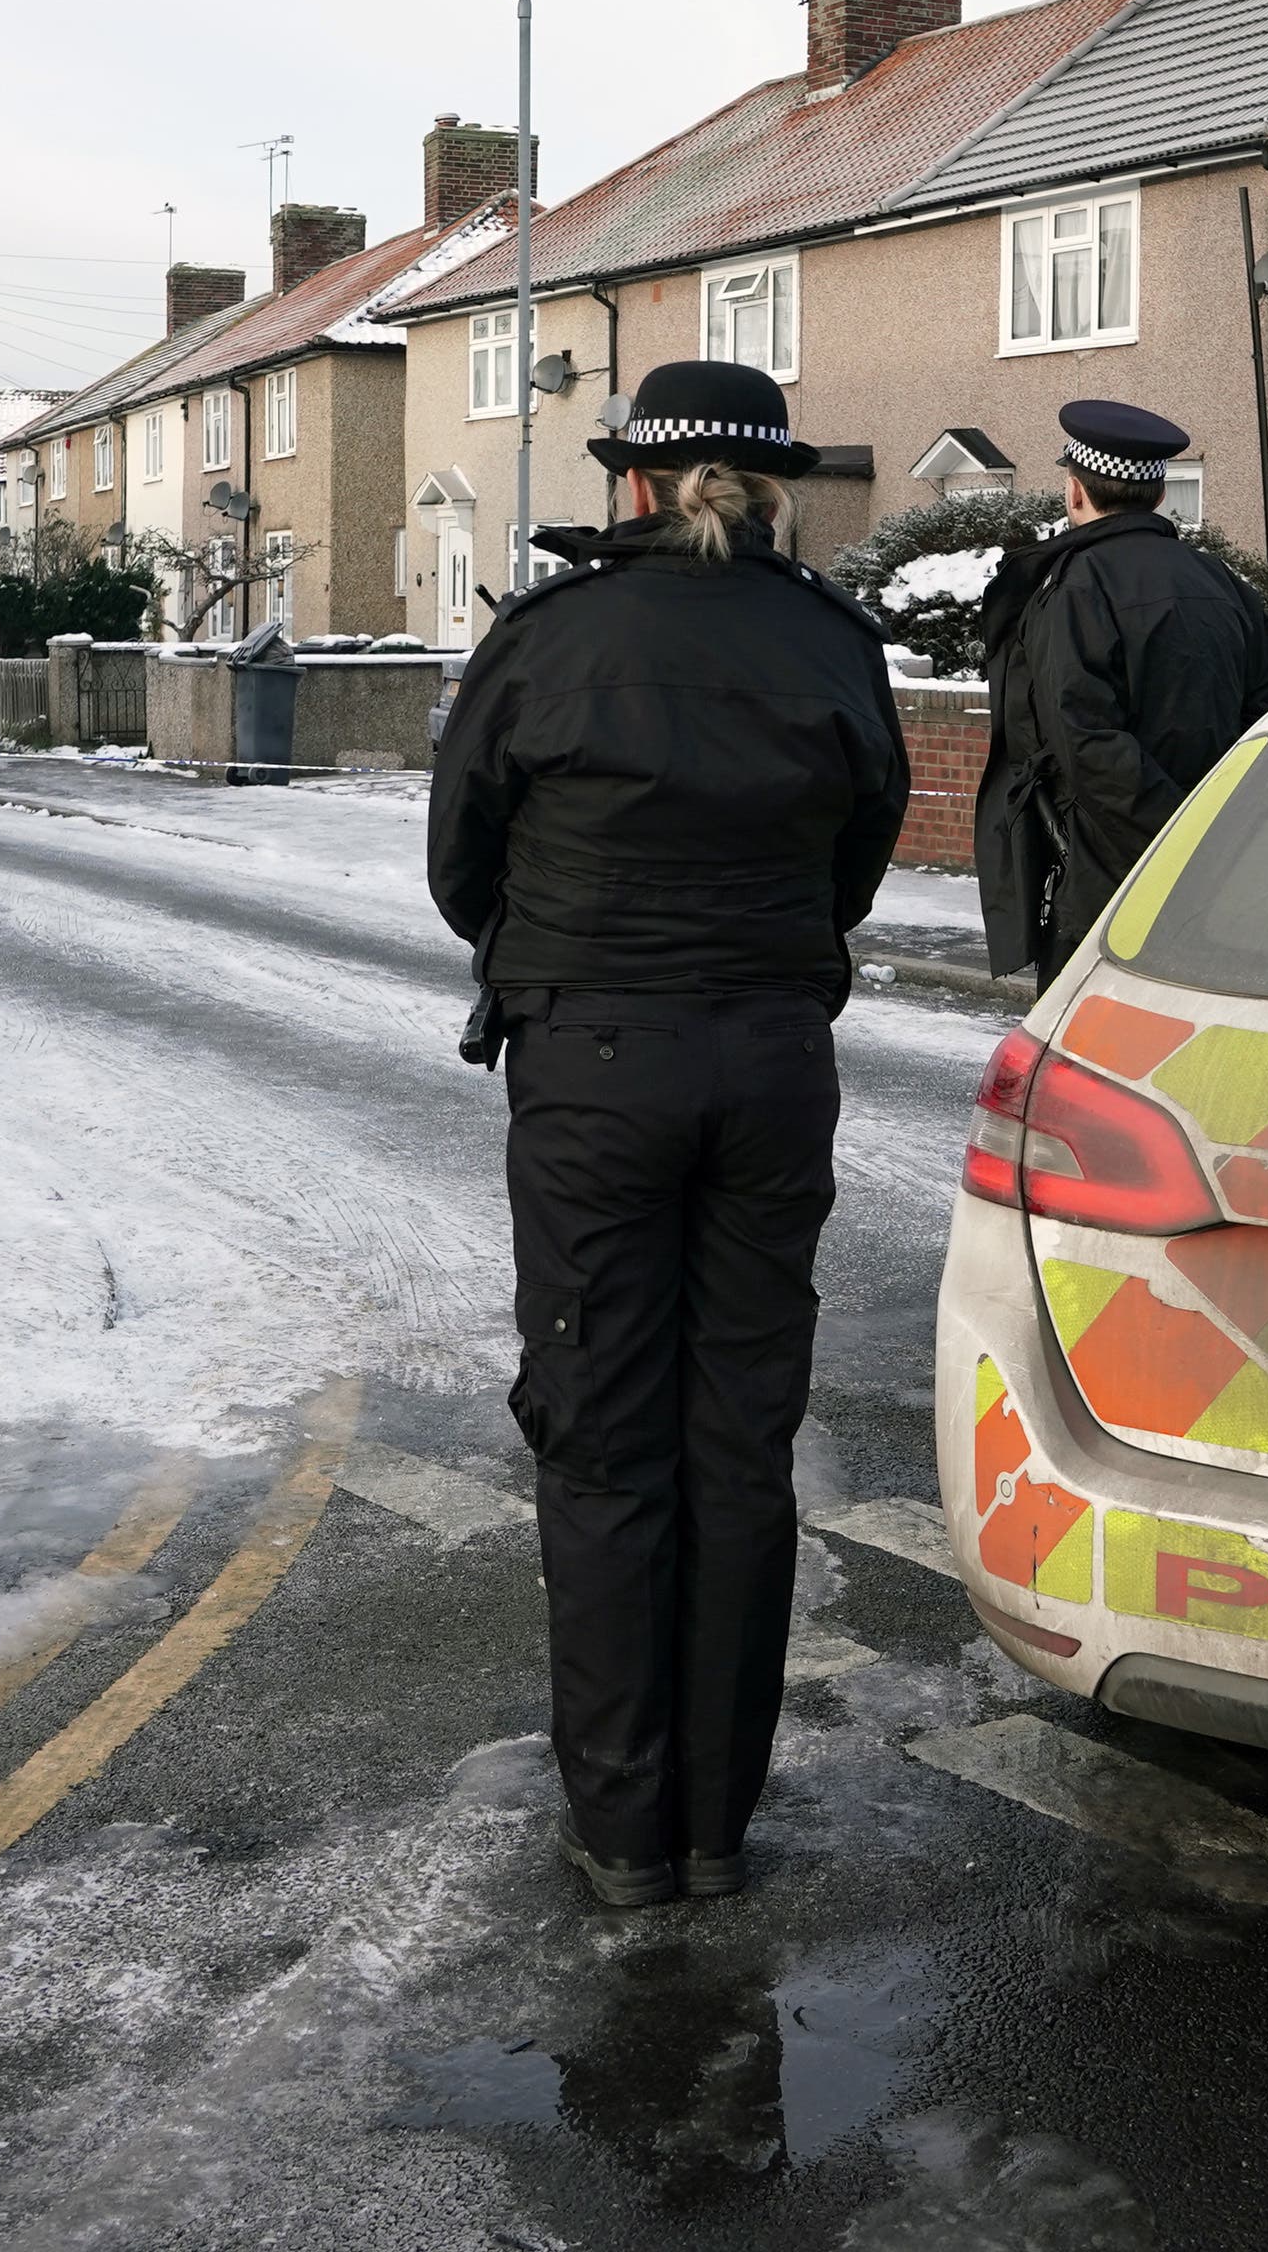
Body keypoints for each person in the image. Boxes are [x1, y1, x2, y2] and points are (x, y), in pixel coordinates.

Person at [428, 360, 910, 1911]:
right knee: (738, 1437)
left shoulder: (551, 638)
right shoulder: (833, 644)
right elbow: (864, 848)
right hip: (773, 1056)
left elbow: (462, 859)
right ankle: (716, 1824)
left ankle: (625, 1832)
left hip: (594, 1061)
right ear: (773, 492)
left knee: (606, 1435)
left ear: (636, 486)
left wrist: (572, 947)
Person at [973, 398, 1268, 982]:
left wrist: (1168, 852)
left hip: (1109, 881)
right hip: (1222, 874)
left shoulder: (1074, 587)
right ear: (1159, 494)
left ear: (1075, 492)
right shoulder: (1224, 583)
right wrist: (1213, 843)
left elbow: (1085, 742)